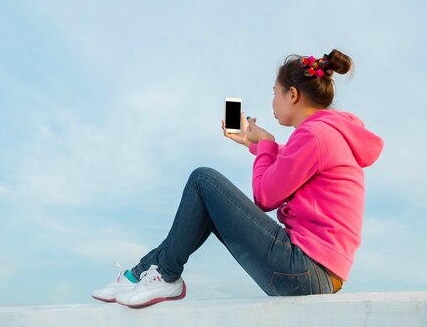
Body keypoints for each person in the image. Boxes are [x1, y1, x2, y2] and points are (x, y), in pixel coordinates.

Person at [92, 49, 384, 308]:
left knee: (202, 181)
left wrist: (266, 141)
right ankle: (142, 273)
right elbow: (291, 162)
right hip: (318, 273)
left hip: (305, 270)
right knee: (208, 197)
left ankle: (165, 275)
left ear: (292, 95)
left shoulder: (315, 135)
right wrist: (253, 143)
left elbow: (265, 196)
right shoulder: (328, 133)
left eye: (275, 92)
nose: (272, 100)